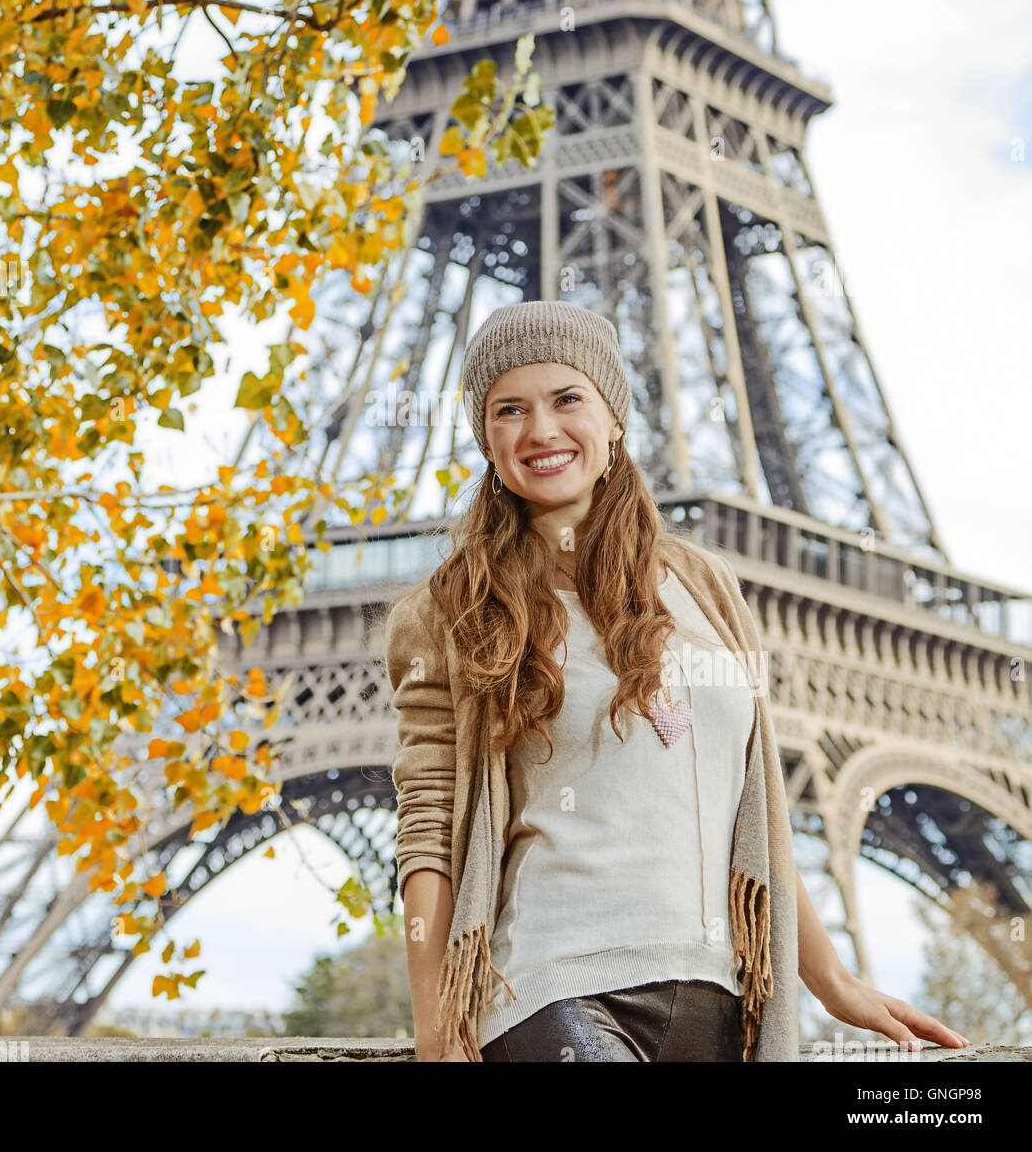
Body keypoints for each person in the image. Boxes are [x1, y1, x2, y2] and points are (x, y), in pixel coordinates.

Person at [386, 299, 969, 1062]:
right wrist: (438, 1035)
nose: (540, 430)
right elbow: (427, 831)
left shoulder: (706, 588)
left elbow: (752, 813)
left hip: (717, 1003)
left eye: (567, 399)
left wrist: (833, 984)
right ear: (485, 438)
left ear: (614, 418)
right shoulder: (450, 610)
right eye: (508, 410)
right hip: (549, 989)